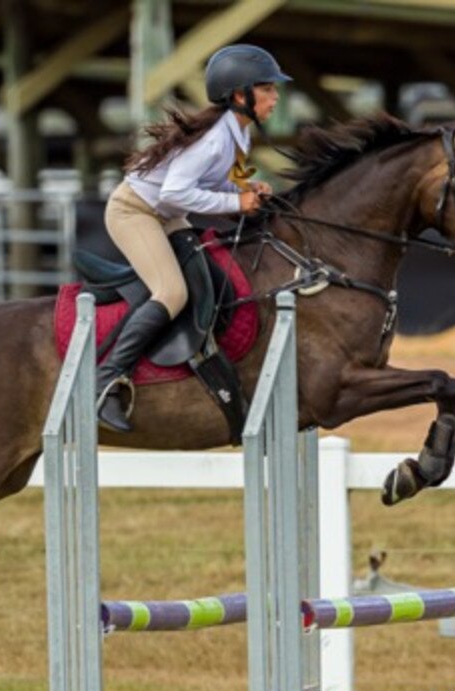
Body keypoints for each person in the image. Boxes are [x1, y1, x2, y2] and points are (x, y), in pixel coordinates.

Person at [96, 44, 291, 432]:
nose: (275, 96)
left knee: (207, 273)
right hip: (135, 212)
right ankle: (105, 382)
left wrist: (247, 189)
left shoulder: (238, 134)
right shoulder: (217, 138)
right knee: (171, 293)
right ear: (240, 95)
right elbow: (173, 192)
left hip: (165, 215)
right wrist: (236, 199)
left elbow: (212, 184)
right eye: (267, 88)